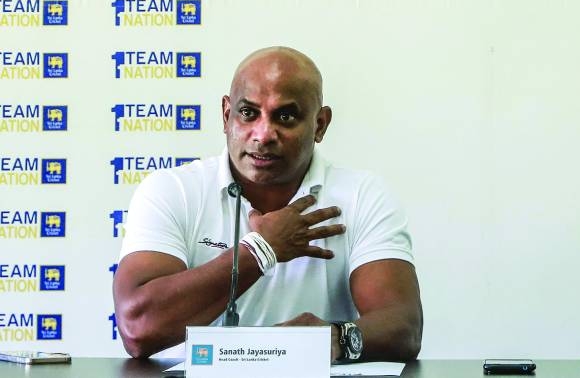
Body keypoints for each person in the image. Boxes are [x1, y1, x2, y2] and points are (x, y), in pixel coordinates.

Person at [113, 47, 422, 360]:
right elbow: (138, 327)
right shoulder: (172, 190)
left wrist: (336, 337)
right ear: (226, 115)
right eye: (248, 113)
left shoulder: (362, 195)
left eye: (285, 116)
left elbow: (404, 326)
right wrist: (262, 249)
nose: (263, 134)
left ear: (320, 125)